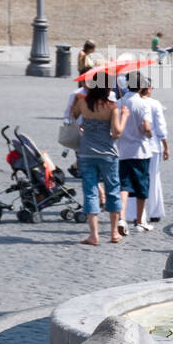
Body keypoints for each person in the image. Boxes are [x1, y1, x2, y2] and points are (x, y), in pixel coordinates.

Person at [70, 81, 127, 245]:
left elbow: (72, 116)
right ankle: (114, 232)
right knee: (113, 190)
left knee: (90, 191)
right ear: (107, 88)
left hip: (86, 152)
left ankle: (93, 235)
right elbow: (117, 133)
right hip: (108, 153)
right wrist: (125, 116)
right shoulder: (112, 107)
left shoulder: (83, 102)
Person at [116, 70, 157, 233]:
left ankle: (121, 218)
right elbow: (146, 127)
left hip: (123, 150)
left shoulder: (120, 102)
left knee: (124, 186)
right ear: (140, 86)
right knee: (142, 186)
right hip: (140, 150)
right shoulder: (143, 104)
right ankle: (140, 220)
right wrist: (149, 133)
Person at [145, 88, 170, 222]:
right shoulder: (155, 104)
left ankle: (133, 213)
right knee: (154, 179)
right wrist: (166, 146)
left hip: (129, 148)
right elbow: (161, 128)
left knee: (132, 180)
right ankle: (154, 212)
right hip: (153, 146)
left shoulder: (123, 102)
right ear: (148, 89)